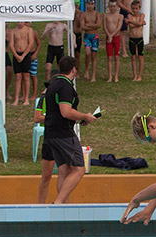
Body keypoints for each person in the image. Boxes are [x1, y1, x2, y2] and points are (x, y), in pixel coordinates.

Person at [43, 56, 96, 204]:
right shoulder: (66, 86)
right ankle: (59, 202)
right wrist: (85, 115)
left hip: (51, 133)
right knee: (79, 168)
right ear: (73, 69)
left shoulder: (53, 84)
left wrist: (80, 119)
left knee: (64, 169)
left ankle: (63, 204)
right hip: (63, 134)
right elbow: (65, 111)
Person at [35, 82, 54, 204]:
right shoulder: (43, 99)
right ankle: (40, 205)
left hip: (65, 138)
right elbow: (37, 118)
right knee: (46, 175)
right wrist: (54, 118)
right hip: (50, 138)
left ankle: (64, 204)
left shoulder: (66, 98)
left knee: (66, 174)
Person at [10, 21, 35, 105]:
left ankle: (26, 98)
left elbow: (31, 43)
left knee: (26, 76)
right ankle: (16, 98)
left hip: (26, 54)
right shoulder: (13, 31)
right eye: (18, 22)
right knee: (17, 76)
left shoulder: (29, 30)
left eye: (21, 22)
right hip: (17, 54)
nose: (19, 23)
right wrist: (16, 55)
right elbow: (11, 45)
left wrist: (23, 55)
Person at [80, 0, 102, 82]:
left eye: (92, 4)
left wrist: (88, 25)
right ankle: (86, 70)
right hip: (87, 36)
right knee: (87, 53)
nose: (90, 6)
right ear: (86, 4)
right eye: (89, 4)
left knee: (93, 55)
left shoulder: (97, 14)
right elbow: (82, 26)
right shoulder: (84, 14)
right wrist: (93, 26)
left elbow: (99, 25)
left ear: (94, 5)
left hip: (95, 36)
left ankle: (93, 75)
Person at [126, 0, 146, 81]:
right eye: (133, 9)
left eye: (136, 9)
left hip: (140, 38)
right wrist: (139, 23)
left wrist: (131, 21)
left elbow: (139, 22)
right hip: (132, 39)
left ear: (139, 8)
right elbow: (131, 26)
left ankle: (140, 75)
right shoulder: (129, 15)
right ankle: (135, 75)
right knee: (133, 57)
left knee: (140, 57)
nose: (134, 10)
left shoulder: (142, 15)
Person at [103, 0, 123, 82]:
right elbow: (104, 27)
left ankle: (116, 76)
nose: (112, 8)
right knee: (110, 57)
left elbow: (119, 27)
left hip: (116, 37)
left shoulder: (120, 16)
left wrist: (112, 35)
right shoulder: (105, 15)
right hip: (109, 38)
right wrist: (109, 35)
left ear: (117, 7)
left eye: (114, 6)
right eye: (111, 6)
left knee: (117, 57)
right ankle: (110, 76)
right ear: (108, 7)